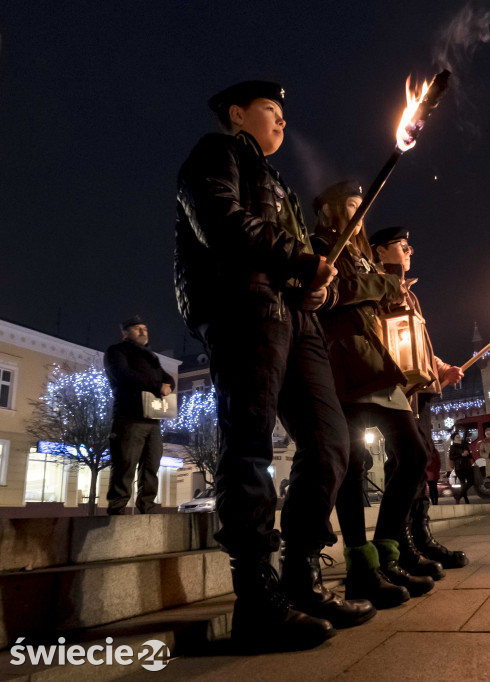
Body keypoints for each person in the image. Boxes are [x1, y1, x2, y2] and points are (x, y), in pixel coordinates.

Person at [174, 81, 373, 649]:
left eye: (286, 115)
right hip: (242, 304)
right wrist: (298, 261)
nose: (282, 122)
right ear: (238, 115)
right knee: (251, 445)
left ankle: (301, 573)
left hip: (294, 317)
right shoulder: (216, 154)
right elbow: (221, 221)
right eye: (271, 111)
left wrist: (319, 288)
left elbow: (305, 261)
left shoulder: (279, 183)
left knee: (331, 440)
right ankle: (256, 597)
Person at [311, 182, 437, 608]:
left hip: (376, 364)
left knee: (415, 454)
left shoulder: (362, 253)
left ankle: (386, 551)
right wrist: (381, 287)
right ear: (330, 211)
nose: (359, 210)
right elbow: (329, 295)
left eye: (361, 204)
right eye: (350, 204)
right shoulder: (320, 243)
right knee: (351, 462)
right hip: (345, 362)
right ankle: (361, 569)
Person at [370, 226, 468, 570]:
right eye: (402, 246)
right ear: (380, 252)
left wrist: (441, 368)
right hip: (402, 390)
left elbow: (417, 345)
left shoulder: (408, 292)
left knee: (420, 458)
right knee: (405, 459)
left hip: (422, 388)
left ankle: (420, 537)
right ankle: (402, 542)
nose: (410, 251)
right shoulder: (381, 287)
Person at [103, 316, 175, 515]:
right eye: (137, 329)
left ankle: (148, 509)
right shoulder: (116, 351)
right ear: (125, 332)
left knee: (151, 467)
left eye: (145, 328)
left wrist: (168, 385)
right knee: (125, 464)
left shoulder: (151, 357)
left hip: (152, 420)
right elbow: (124, 375)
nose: (143, 332)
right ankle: (117, 510)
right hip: (129, 417)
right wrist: (156, 386)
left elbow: (167, 377)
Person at [450, 434, 474, 503]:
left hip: (467, 466)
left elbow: (470, 456)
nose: (459, 438)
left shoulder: (464, 445)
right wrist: (461, 455)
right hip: (459, 467)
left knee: (471, 481)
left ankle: (459, 496)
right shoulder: (453, 447)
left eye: (459, 437)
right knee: (463, 484)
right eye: (457, 437)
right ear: (454, 439)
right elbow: (451, 457)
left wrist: (468, 453)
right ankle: (466, 500)